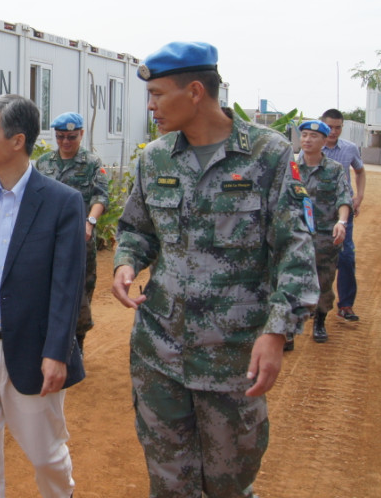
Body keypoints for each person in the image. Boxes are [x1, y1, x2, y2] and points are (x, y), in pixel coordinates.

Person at [112, 42, 318, 497]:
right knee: (168, 481)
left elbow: (296, 251)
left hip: (232, 355)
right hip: (158, 350)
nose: (150, 105)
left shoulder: (269, 156)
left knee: (229, 481)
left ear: (196, 92)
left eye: (158, 94)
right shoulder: (155, 158)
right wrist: (126, 263)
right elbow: (136, 230)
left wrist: (277, 331)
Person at [0, 94, 86, 498]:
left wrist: (56, 352)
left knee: (45, 455)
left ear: (17, 140)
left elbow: (67, 286)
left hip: (31, 348)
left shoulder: (62, 202)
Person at [35, 112, 109, 354]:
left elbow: (101, 196)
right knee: (44, 288)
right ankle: (48, 342)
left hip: (80, 239)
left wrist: (89, 222)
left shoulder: (92, 163)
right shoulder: (43, 163)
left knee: (80, 292)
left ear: (81, 134)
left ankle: (77, 345)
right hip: (48, 239)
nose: (66, 142)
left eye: (71, 137)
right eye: (60, 137)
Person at [297, 120, 352, 345]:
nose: (307, 140)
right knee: (291, 279)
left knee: (323, 278)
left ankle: (320, 319)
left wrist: (342, 222)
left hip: (323, 235)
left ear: (324, 141)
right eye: (304, 135)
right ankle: (290, 329)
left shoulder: (334, 169)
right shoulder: (289, 167)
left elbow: (344, 197)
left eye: (313, 136)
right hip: (295, 234)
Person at [320, 108, 367, 322]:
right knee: (315, 257)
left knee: (346, 257)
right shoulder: (312, 149)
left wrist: (359, 196)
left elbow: (360, 171)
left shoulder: (349, 149)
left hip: (344, 211)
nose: (333, 131)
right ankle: (315, 305)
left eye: (338, 127)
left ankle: (346, 305)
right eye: (329, 127)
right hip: (318, 213)